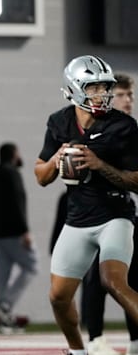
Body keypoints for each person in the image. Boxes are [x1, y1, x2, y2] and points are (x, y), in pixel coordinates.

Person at [34, 55, 138, 355]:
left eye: (105, 88)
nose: (102, 95)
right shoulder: (59, 122)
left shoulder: (123, 126)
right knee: (58, 297)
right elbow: (41, 176)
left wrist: (99, 165)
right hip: (77, 218)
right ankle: (78, 351)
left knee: (113, 282)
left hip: (114, 215)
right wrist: (57, 160)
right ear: (74, 88)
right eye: (94, 88)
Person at [80, 73, 138, 355]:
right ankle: (95, 340)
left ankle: (135, 340)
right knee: (97, 277)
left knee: (132, 277)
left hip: (125, 210)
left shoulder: (127, 129)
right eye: (123, 95)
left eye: (131, 95)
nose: (129, 100)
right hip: (97, 213)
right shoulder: (96, 128)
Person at [0, 143, 38, 333]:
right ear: (14, 155)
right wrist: (25, 231)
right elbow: (17, 201)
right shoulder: (12, 173)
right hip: (13, 232)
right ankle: (5, 304)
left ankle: (5, 321)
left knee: (4, 272)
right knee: (31, 265)